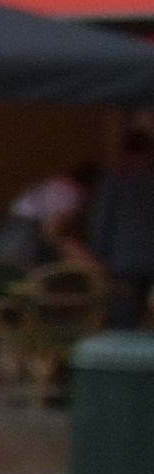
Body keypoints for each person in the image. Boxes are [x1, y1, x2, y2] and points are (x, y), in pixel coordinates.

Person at [93, 118, 154, 325]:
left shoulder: (115, 177)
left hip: (123, 262)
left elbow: (102, 221)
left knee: (123, 319)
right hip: (146, 257)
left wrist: (98, 256)